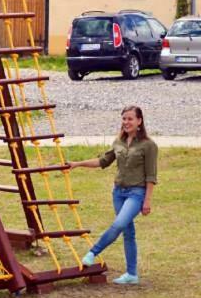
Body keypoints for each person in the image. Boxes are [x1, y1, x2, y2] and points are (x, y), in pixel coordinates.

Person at [68, 106, 158, 285]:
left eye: (130, 119)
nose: (126, 122)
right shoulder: (118, 142)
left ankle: (93, 252)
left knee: (118, 224)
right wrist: (77, 164)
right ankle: (132, 274)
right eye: (124, 119)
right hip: (118, 192)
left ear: (139, 121)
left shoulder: (149, 145)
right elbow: (103, 161)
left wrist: (147, 201)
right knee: (128, 232)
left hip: (136, 193)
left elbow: (151, 176)